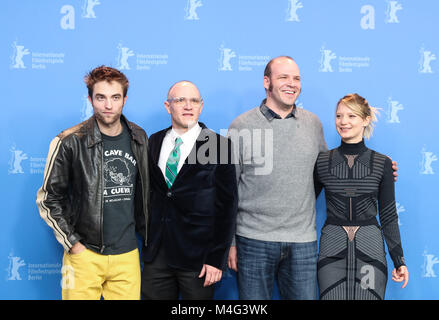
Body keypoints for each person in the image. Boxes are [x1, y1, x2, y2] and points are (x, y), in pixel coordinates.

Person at [36, 65, 149, 300]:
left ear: (124, 100)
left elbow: (145, 193)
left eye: (115, 97)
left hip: (127, 255)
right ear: (90, 99)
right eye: (101, 97)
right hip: (85, 254)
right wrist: (74, 245)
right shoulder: (68, 141)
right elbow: (48, 200)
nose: (108, 105)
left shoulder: (139, 137)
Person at [227, 56, 327, 299]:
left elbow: (328, 171)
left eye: (296, 78)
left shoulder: (313, 124)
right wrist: (230, 243)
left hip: (302, 241)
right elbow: (227, 190)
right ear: (266, 82)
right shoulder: (241, 126)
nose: (291, 83)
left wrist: (377, 167)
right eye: (283, 77)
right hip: (252, 240)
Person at [141, 80, 238, 300]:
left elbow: (227, 207)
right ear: (168, 106)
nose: (188, 106)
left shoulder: (217, 145)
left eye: (194, 101)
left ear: (201, 106)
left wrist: (216, 258)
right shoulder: (154, 141)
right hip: (157, 254)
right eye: (180, 100)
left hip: (198, 258)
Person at [314, 93, 408, 300]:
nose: (343, 122)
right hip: (331, 253)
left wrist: (398, 260)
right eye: (339, 116)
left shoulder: (382, 163)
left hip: (371, 252)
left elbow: (389, 215)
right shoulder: (322, 162)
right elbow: (303, 204)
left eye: (351, 116)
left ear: (365, 120)